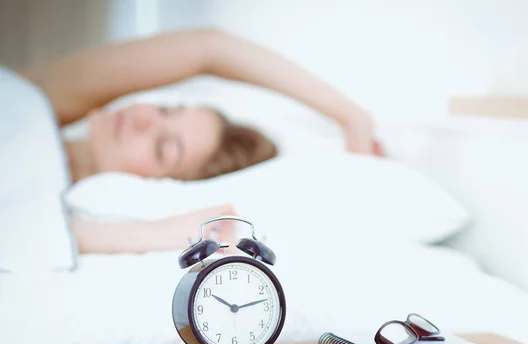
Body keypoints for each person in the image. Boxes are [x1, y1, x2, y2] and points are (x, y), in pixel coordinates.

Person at [13, 28, 383, 255]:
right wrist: (352, 117)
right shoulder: (48, 96)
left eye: (163, 148)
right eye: (166, 109)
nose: (143, 117)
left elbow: (36, 236)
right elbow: (210, 47)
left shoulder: (42, 223)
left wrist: (160, 232)